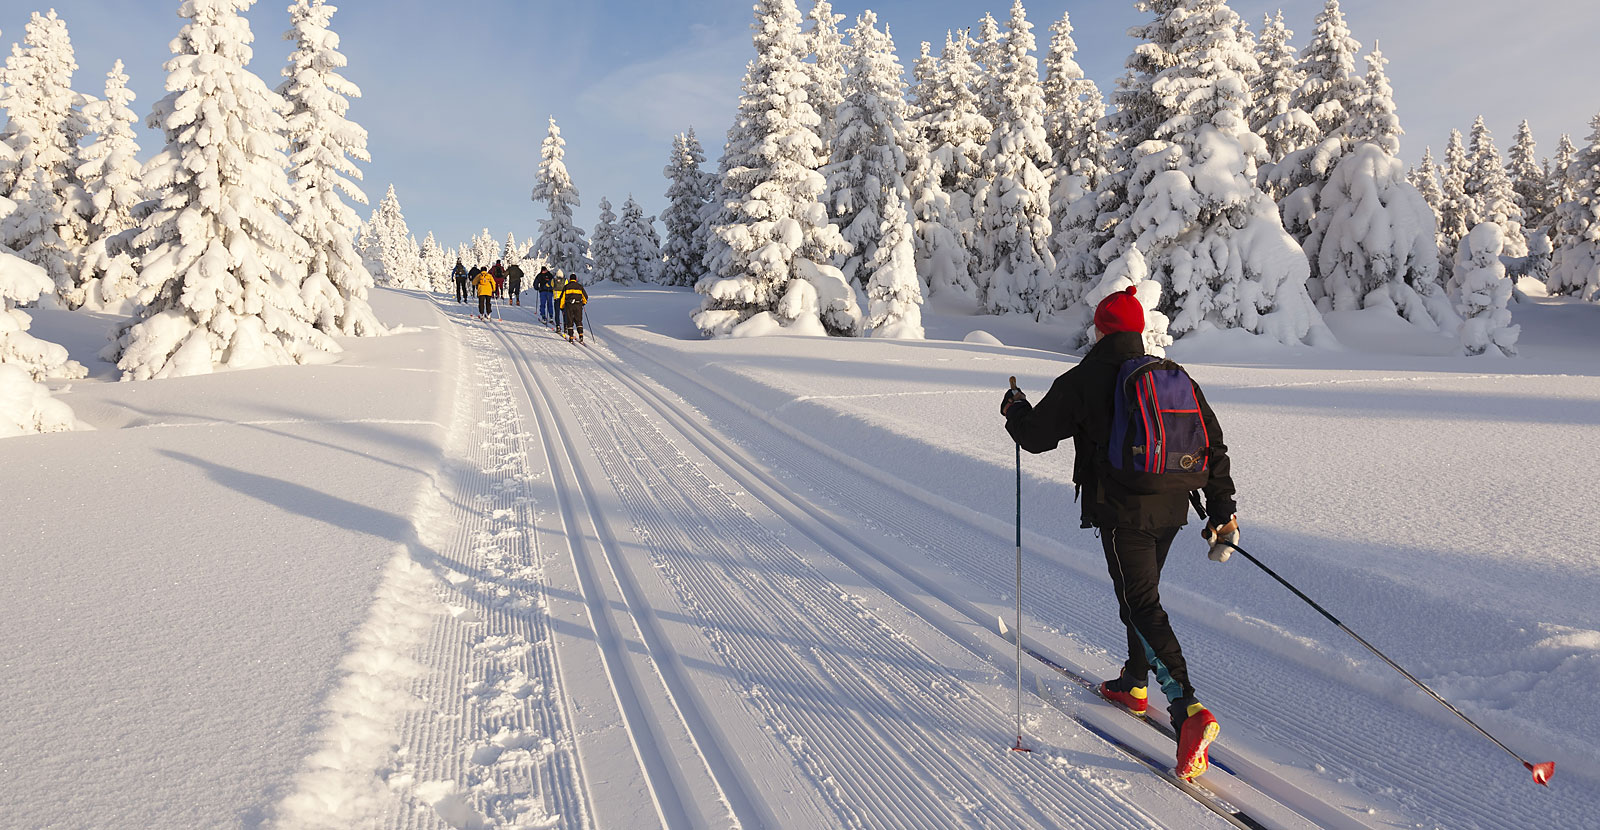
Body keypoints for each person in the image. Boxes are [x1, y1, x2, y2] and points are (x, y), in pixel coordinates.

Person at [1001, 286, 1237, 781]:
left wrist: (1015, 408)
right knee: (1139, 596)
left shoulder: (1085, 379)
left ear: (1100, 330)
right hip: (1172, 509)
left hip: (1122, 513)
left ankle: (1188, 711)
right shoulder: (1171, 376)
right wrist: (1222, 511)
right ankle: (1133, 682)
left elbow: (1035, 437)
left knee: (1140, 604)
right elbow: (1212, 445)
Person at [557, 275, 588, 342]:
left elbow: (562, 298)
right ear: (576, 279)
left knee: (570, 321)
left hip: (569, 305)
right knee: (578, 320)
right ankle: (581, 335)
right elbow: (585, 297)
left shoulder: (566, 287)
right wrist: (583, 303)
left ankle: (571, 336)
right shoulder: (580, 286)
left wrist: (562, 307)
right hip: (578, 305)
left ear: (569, 279)